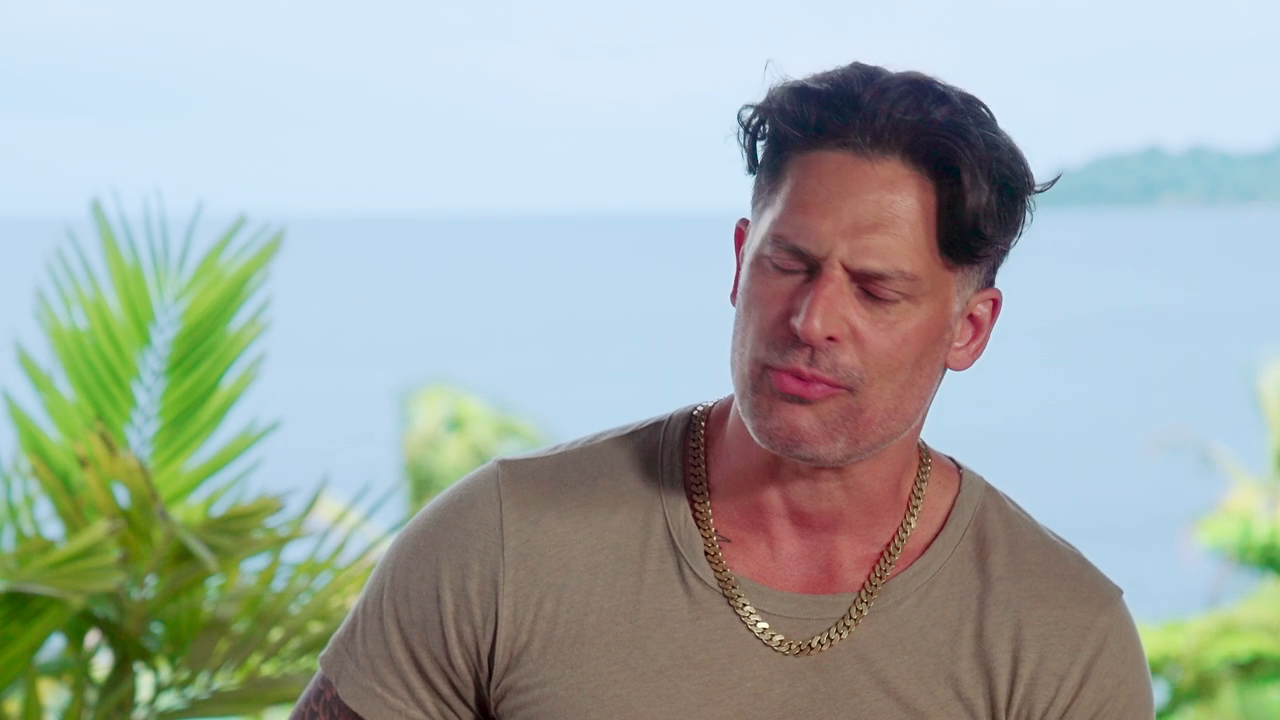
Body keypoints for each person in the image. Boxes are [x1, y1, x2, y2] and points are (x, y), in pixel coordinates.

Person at [291, 61, 1156, 719]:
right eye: (790, 263)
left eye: (875, 290)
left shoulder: (1061, 639)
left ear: (969, 328)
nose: (812, 319)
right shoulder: (501, 543)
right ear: (742, 259)